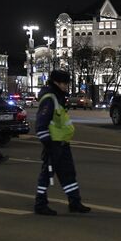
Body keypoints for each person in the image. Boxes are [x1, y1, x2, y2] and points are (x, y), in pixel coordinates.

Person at [34, 70, 91, 216]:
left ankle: (74, 202)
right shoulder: (50, 98)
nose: (66, 86)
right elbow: (41, 124)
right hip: (53, 143)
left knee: (69, 173)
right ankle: (40, 204)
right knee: (47, 175)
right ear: (56, 83)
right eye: (64, 83)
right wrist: (47, 143)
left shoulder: (58, 97)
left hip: (62, 143)